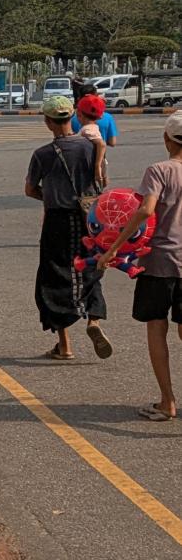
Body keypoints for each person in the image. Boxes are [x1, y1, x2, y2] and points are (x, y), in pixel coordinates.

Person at [99, 113, 182, 420]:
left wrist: (114, 247)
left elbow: (146, 209)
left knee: (157, 329)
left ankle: (167, 401)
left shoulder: (159, 170)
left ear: (166, 140)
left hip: (160, 263)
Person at [24, 95, 112, 361]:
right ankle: (94, 320)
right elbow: (103, 182)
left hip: (57, 220)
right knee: (91, 268)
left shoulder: (43, 154)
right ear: (71, 117)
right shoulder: (91, 148)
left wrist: (50, 198)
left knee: (54, 276)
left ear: (48, 122)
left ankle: (64, 344)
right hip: (90, 218)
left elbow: (30, 190)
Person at [74, 94, 109, 188]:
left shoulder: (87, 129)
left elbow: (101, 144)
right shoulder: (92, 128)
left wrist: (97, 167)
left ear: (79, 114)